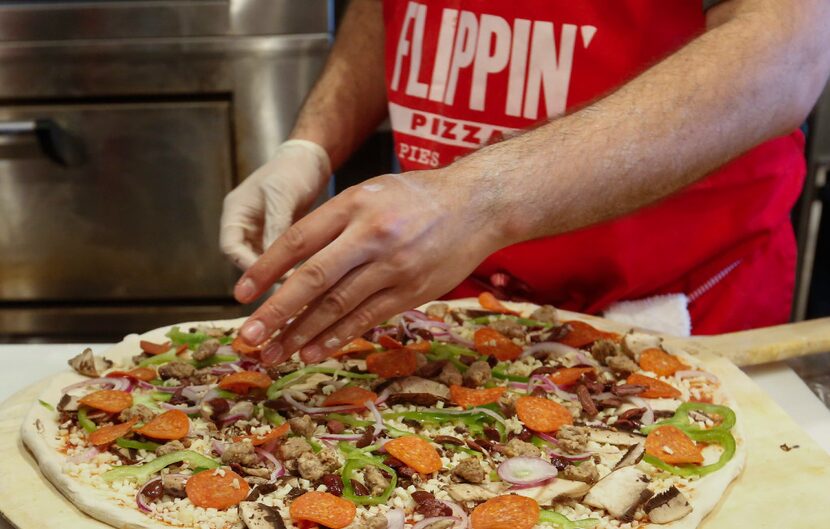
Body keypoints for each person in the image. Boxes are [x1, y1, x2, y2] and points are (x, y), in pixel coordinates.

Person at [219, 0, 830, 365]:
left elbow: (787, 50)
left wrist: (478, 199)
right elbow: (383, 12)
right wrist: (310, 145)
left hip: (673, 315)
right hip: (446, 315)